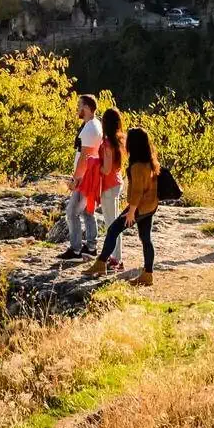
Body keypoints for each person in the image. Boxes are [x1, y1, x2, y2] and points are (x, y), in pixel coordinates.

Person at [88, 126, 158, 286]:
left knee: (113, 230)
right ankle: (148, 274)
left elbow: (137, 191)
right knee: (146, 239)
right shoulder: (150, 161)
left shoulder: (137, 166)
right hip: (150, 206)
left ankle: (101, 264)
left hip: (139, 207)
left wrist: (131, 212)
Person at [59, 93, 103, 260]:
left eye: (79, 106)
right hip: (89, 176)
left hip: (84, 178)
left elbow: (85, 156)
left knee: (71, 212)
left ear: (86, 108)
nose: (77, 109)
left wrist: (75, 179)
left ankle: (76, 249)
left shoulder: (90, 128)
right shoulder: (94, 125)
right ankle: (91, 247)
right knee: (87, 212)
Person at [96, 108, 126, 270]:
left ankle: (116, 259)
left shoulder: (107, 143)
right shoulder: (118, 140)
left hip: (109, 185)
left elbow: (106, 169)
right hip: (117, 182)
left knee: (111, 224)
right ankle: (116, 257)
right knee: (114, 223)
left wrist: (93, 167)